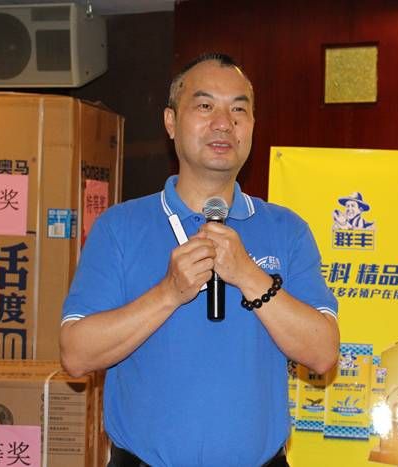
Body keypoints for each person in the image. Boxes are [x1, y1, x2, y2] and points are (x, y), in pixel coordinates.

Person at [59, 53, 340, 467]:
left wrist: (249, 276)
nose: (223, 123)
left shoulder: (287, 229)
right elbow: (76, 355)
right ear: (171, 122)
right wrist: (168, 293)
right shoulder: (119, 227)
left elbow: (323, 353)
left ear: (252, 125)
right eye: (205, 106)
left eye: (238, 109)